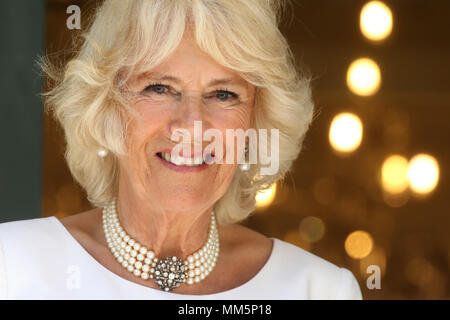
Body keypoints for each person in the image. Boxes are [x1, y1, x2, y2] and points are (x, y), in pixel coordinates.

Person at [0, 0, 362, 299]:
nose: (192, 126)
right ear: (107, 105)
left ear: (256, 121)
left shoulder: (319, 290)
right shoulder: (12, 266)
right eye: (159, 88)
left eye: (223, 94)